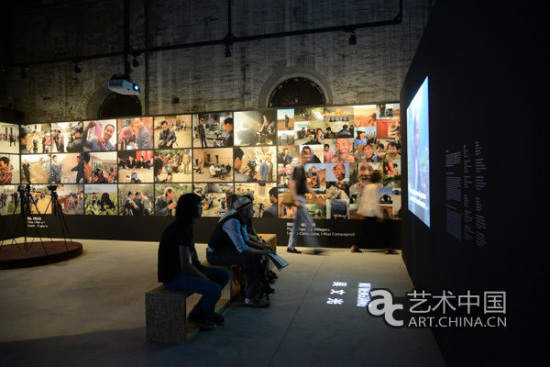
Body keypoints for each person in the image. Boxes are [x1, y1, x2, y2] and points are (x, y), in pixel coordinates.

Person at [158, 193, 231, 330]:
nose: (202, 207)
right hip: (173, 276)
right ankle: (200, 316)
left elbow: (191, 255)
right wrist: (202, 276)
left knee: (224, 275)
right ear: (190, 208)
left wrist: (200, 269)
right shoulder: (181, 228)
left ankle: (202, 312)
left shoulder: (187, 225)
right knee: (214, 288)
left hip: (183, 271)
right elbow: (185, 264)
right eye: (198, 205)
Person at [206, 196, 274, 308]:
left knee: (254, 256)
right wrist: (262, 251)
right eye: (250, 209)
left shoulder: (241, 219)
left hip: (226, 251)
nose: (253, 211)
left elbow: (246, 239)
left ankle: (257, 288)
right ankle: (250, 297)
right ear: (243, 212)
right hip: (215, 255)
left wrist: (262, 247)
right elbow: (242, 248)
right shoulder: (233, 222)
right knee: (248, 258)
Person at [287, 151, 324, 255]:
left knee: (296, 225)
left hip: (301, 198)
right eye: (305, 157)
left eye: (308, 157)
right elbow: (292, 183)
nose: (307, 159)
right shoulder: (297, 169)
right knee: (308, 221)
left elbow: (307, 186)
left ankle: (290, 247)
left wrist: (316, 197)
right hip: (299, 199)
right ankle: (314, 247)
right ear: (301, 157)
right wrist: (295, 199)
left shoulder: (302, 170)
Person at [355, 170, 393, 253]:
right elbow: (374, 202)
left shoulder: (368, 186)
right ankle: (387, 248)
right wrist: (379, 215)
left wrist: (360, 211)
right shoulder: (374, 188)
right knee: (382, 231)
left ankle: (355, 246)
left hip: (366, 212)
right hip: (372, 213)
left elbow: (363, 200)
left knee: (365, 231)